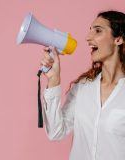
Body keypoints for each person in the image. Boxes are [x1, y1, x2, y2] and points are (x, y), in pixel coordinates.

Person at [41, 10, 125, 160]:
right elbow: (56, 132)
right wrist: (54, 80)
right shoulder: (83, 87)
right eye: (90, 30)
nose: (88, 37)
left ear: (118, 39)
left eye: (98, 31)